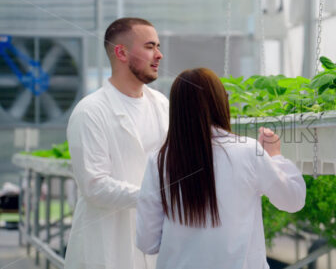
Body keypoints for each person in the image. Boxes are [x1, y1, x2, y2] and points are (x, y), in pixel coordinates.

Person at [135, 68, 306, 269]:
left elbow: (147, 242)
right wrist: (275, 155)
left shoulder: (159, 160)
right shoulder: (248, 152)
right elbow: (293, 199)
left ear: (176, 111)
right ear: (220, 102)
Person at [65, 17, 169, 269]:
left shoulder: (162, 105)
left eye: (158, 46)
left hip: (154, 240)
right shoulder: (90, 112)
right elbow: (95, 186)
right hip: (106, 245)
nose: (159, 55)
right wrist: (158, 196)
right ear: (121, 52)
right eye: (150, 46)